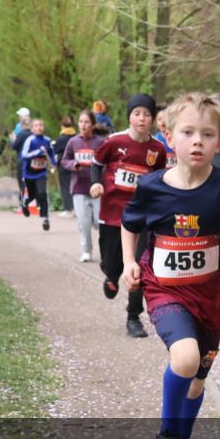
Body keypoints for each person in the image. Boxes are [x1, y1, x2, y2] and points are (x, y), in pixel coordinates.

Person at [120, 93, 220, 439]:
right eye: (188, 132)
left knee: (197, 382)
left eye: (207, 134)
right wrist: (130, 262)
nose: (197, 141)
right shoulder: (152, 186)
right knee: (185, 359)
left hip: (209, 301)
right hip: (164, 291)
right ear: (168, 136)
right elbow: (130, 224)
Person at [90, 93, 166, 337]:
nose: (142, 118)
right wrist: (96, 183)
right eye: (137, 113)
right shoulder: (114, 142)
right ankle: (111, 275)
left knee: (139, 267)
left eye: (147, 114)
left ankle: (134, 317)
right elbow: (96, 164)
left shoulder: (157, 149)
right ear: (129, 117)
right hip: (112, 214)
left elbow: (160, 179)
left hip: (141, 218)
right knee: (111, 264)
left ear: (153, 119)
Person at [61, 112, 108, 262]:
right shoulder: (73, 142)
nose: (83, 125)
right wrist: (74, 165)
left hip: (97, 188)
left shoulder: (101, 142)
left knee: (100, 222)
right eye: (81, 121)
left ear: (93, 125)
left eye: (87, 122)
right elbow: (64, 160)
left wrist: (103, 177)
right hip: (79, 188)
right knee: (83, 222)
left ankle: (107, 252)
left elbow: (108, 162)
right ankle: (86, 251)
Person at [20, 118, 57, 231]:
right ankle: (25, 204)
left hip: (41, 172)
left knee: (42, 193)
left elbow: (51, 153)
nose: (39, 127)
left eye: (41, 125)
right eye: (36, 125)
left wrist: (53, 164)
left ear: (44, 128)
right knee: (31, 195)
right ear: (32, 129)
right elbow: (24, 155)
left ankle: (45, 218)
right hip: (29, 173)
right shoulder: (30, 140)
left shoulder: (47, 140)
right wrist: (37, 152)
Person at [54, 115, 77, 216]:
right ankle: (76, 208)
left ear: (62, 126)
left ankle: (68, 209)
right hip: (75, 164)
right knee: (75, 186)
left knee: (65, 186)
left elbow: (55, 151)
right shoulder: (76, 137)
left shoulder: (61, 138)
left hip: (63, 165)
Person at [11, 114, 33, 211]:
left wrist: (13, 139)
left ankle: (23, 204)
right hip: (32, 161)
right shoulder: (33, 135)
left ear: (21, 124)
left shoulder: (20, 135)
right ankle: (33, 203)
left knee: (22, 183)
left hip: (22, 160)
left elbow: (14, 146)